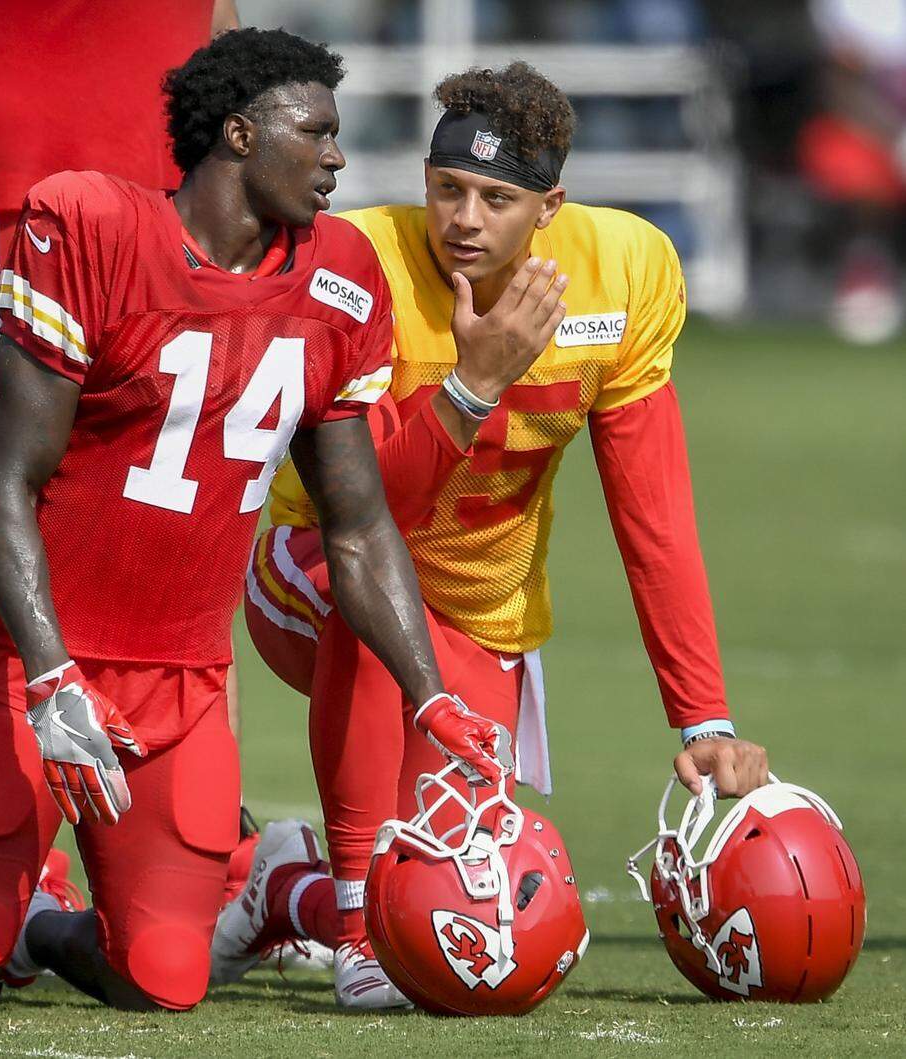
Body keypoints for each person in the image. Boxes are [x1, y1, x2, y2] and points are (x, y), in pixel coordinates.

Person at [0, 28, 512, 1013]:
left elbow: (358, 524)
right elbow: (6, 486)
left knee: (163, 981)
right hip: (39, 665)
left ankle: (36, 931)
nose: (338, 156)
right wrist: (46, 677)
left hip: (184, 684)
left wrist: (427, 694)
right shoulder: (93, 228)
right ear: (240, 135)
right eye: (318, 131)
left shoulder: (339, 275)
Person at [218, 61, 771, 1008]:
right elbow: (362, 517)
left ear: (550, 205)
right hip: (313, 567)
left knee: (468, 911)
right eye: (447, 189)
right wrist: (470, 389)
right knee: (373, 603)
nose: (463, 220)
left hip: (482, 611)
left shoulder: (626, 270)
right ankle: (353, 928)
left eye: (497, 197)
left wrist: (704, 716)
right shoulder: (358, 261)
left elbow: (656, 518)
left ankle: (285, 886)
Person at [0, 0, 239, 694]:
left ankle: (192, 796)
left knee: (186, 532)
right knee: (11, 521)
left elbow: (216, 33)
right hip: (27, 207)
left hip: (180, 214)